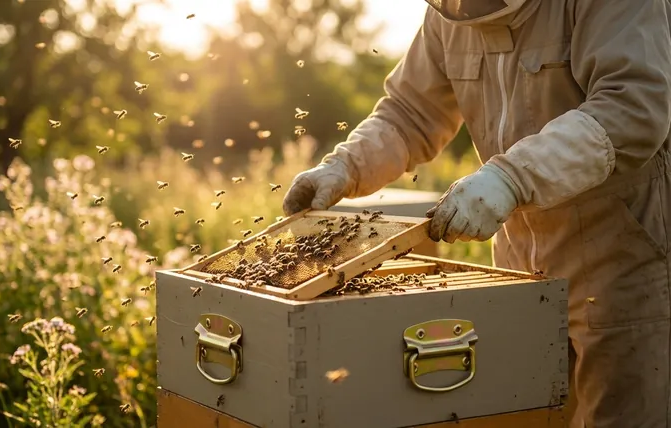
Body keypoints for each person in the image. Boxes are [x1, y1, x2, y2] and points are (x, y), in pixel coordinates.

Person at [282, 1, 671, 426]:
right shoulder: (449, 16)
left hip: (622, 260)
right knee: (522, 414)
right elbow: (410, 113)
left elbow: (632, 107)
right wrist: (345, 167)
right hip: (519, 266)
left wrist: (511, 179)